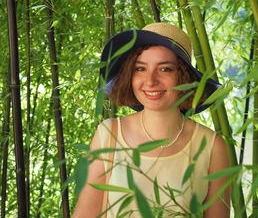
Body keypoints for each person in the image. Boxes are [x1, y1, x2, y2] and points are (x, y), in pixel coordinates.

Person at [72, 22, 231, 217]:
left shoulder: (212, 147)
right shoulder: (109, 134)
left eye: (165, 69)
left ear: (184, 78)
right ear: (129, 75)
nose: (150, 81)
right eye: (140, 69)